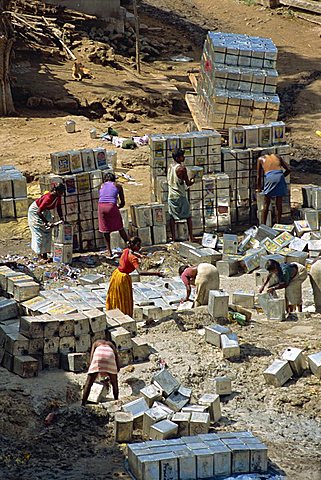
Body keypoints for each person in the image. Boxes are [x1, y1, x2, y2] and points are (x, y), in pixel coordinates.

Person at [106, 237, 163, 317]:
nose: (140, 247)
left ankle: (113, 314)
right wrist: (156, 273)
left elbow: (131, 252)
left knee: (115, 296)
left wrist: (140, 255)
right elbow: (140, 272)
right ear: (133, 245)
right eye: (138, 245)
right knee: (124, 299)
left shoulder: (126, 250)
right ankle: (123, 316)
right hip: (123, 279)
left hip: (116, 275)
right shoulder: (133, 259)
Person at [28, 183, 65, 262]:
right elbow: (38, 212)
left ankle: (45, 254)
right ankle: (39, 255)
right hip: (36, 211)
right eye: (61, 192)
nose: (62, 194)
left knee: (47, 232)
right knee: (39, 234)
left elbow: (59, 207)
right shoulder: (48, 198)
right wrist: (47, 222)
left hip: (45, 211)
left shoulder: (58, 197)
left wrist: (62, 218)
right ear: (56, 191)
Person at [167, 148, 195, 242]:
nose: (184, 157)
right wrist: (193, 179)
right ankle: (191, 237)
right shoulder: (182, 169)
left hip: (171, 195)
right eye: (182, 156)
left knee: (172, 217)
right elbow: (187, 183)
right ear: (178, 158)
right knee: (188, 216)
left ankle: (173, 238)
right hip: (180, 195)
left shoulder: (170, 166)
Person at [98, 172, 128, 258]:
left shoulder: (101, 185)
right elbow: (122, 203)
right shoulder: (117, 186)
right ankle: (129, 244)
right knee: (120, 227)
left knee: (105, 229)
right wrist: (116, 208)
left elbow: (102, 196)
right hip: (111, 206)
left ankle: (109, 251)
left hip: (101, 207)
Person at [82, 340, 120, 405]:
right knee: (114, 383)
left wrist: (92, 369)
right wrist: (116, 370)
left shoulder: (96, 343)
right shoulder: (111, 345)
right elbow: (116, 357)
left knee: (89, 383)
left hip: (98, 355)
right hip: (110, 356)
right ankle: (116, 400)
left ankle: (83, 403)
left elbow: (92, 357)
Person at [257, 153, 291, 224]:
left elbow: (259, 176)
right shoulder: (277, 157)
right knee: (278, 203)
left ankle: (263, 225)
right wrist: (281, 177)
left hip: (270, 177)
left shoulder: (260, 159)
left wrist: (259, 188)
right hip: (280, 176)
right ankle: (278, 224)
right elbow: (288, 169)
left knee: (266, 203)